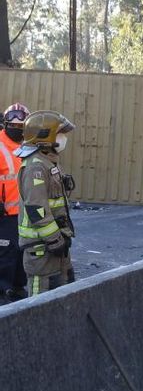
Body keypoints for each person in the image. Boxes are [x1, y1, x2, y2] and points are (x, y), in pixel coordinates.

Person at [15, 111, 76, 296]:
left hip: (56, 245)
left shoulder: (48, 162)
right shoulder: (36, 166)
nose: (64, 138)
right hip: (42, 247)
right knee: (39, 300)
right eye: (60, 134)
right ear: (45, 137)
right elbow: (37, 208)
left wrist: (61, 238)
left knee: (63, 292)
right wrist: (54, 240)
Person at [0, 103, 29, 302]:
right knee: (5, 254)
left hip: (26, 213)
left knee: (23, 252)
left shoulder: (29, 145)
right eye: (13, 126)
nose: (16, 130)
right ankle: (2, 292)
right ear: (6, 124)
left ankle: (18, 288)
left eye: (21, 127)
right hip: (4, 215)